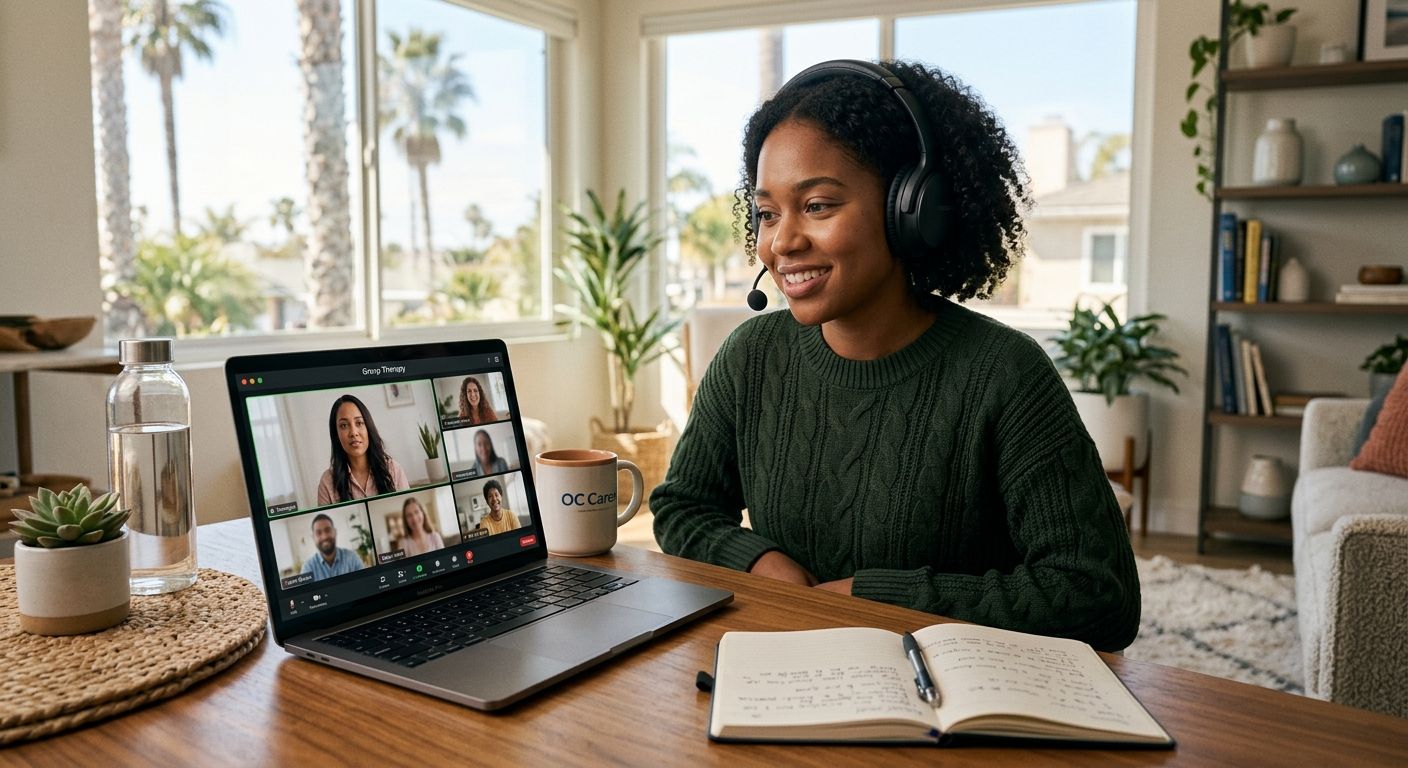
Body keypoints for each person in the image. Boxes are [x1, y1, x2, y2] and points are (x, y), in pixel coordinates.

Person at [649, 59, 1140, 652]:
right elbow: (683, 506)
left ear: (911, 210)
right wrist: (762, 562)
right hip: (792, 668)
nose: (781, 242)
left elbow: (1098, 595)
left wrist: (876, 597)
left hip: (954, 699)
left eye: (819, 205)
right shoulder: (752, 356)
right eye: (767, 213)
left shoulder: (1004, 374)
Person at [317, 394, 410, 505]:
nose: (353, 432)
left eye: (359, 423)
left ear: (368, 428)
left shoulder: (394, 470)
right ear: (336, 435)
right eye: (344, 425)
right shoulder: (327, 483)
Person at [300, 513, 365, 580]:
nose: (324, 537)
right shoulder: (308, 567)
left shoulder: (352, 558)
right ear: (313, 537)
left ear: (335, 532)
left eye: (328, 530)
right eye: (318, 533)